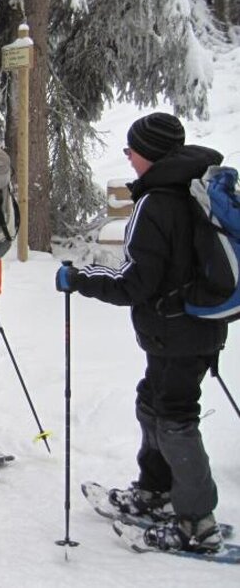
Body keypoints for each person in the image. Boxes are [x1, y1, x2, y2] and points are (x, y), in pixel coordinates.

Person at [55, 112, 226, 554]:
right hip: (192, 327)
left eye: (132, 149)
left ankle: (196, 523)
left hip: (176, 330)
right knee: (152, 402)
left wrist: (80, 280)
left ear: (150, 152)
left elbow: (135, 284)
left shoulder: (159, 203)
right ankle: (156, 490)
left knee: (175, 418)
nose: (128, 156)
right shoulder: (190, 190)